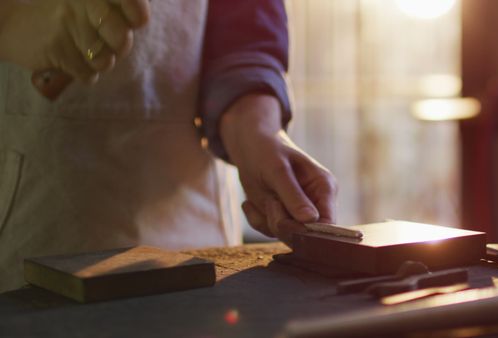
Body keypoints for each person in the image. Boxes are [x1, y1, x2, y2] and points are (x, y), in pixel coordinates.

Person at [0, 0, 337, 292]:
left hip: (194, 241)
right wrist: (11, 19)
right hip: (26, 238)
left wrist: (256, 132)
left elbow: (245, 34)